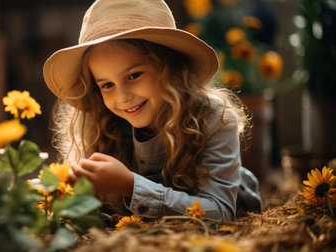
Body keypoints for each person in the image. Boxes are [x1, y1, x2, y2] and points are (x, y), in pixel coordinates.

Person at [42, 0, 261, 221]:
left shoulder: (214, 118)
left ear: (171, 67)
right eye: (107, 85)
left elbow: (220, 212)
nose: (123, 97)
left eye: (134, 75)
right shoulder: (99, 125)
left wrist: (130, 185)